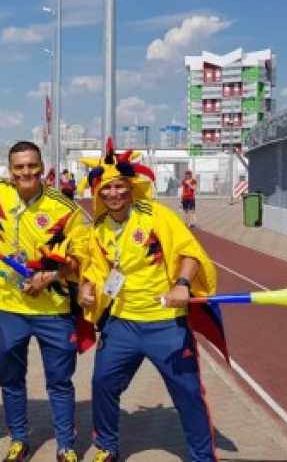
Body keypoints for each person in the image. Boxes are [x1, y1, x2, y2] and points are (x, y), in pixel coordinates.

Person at [79, 139, 218, 462]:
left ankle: (202, 457)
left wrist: (182, 283)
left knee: (187, 393)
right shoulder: (98, 229)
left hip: (165, 325)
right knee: (102, 384)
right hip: (121, 324)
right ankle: (106, 447)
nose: (113, 194)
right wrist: (86, 289)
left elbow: (189, 252)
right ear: (98, 193)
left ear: (130, 187)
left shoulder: (156, 215)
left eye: (118, 187)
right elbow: (95, 271)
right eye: (105, 189)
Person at [0, 141, 89, 462]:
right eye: (19, 167)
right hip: (8, 309)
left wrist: (50, 277)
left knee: (59, 382)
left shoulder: (66, 208)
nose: (26, 172)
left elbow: (79, 260)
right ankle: (18, 440)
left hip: (53, 311)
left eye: (32, 166)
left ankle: (65, 445)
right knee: (11, 380)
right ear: (10, 170)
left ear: (42, 166)